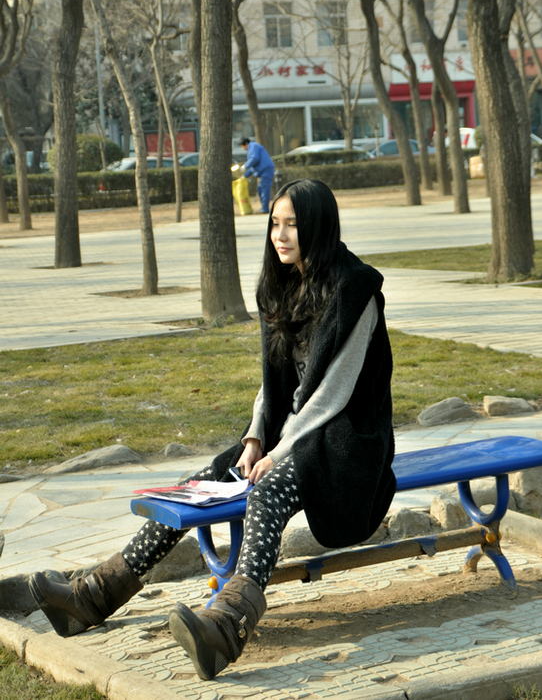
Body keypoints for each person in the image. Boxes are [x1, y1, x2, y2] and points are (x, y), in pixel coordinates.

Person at [29, 179, 395, 681]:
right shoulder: (284, 284)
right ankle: (90, 598)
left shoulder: (356, 291)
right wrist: (255, 437)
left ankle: (226, 627)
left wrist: (279, 452)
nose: (280, 235)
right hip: (296, 435)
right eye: (275, 223)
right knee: (200, 484)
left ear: (320, 227)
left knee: (267, 490)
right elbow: (274, 382)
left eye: (293, 225)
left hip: (348, 443)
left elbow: (333, 394)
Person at [239, 136, 275, 213]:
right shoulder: (253, 148)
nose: (242, 148)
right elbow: (253, 166)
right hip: (264, 170)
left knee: (264, 188)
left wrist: (245, 165)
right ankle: (264, 208)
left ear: (246, 144)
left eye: (242, 146)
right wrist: (245, 175)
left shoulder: (253, 146)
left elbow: (255, 159)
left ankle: (264, 209)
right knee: (260, 189)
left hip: (266, 170)